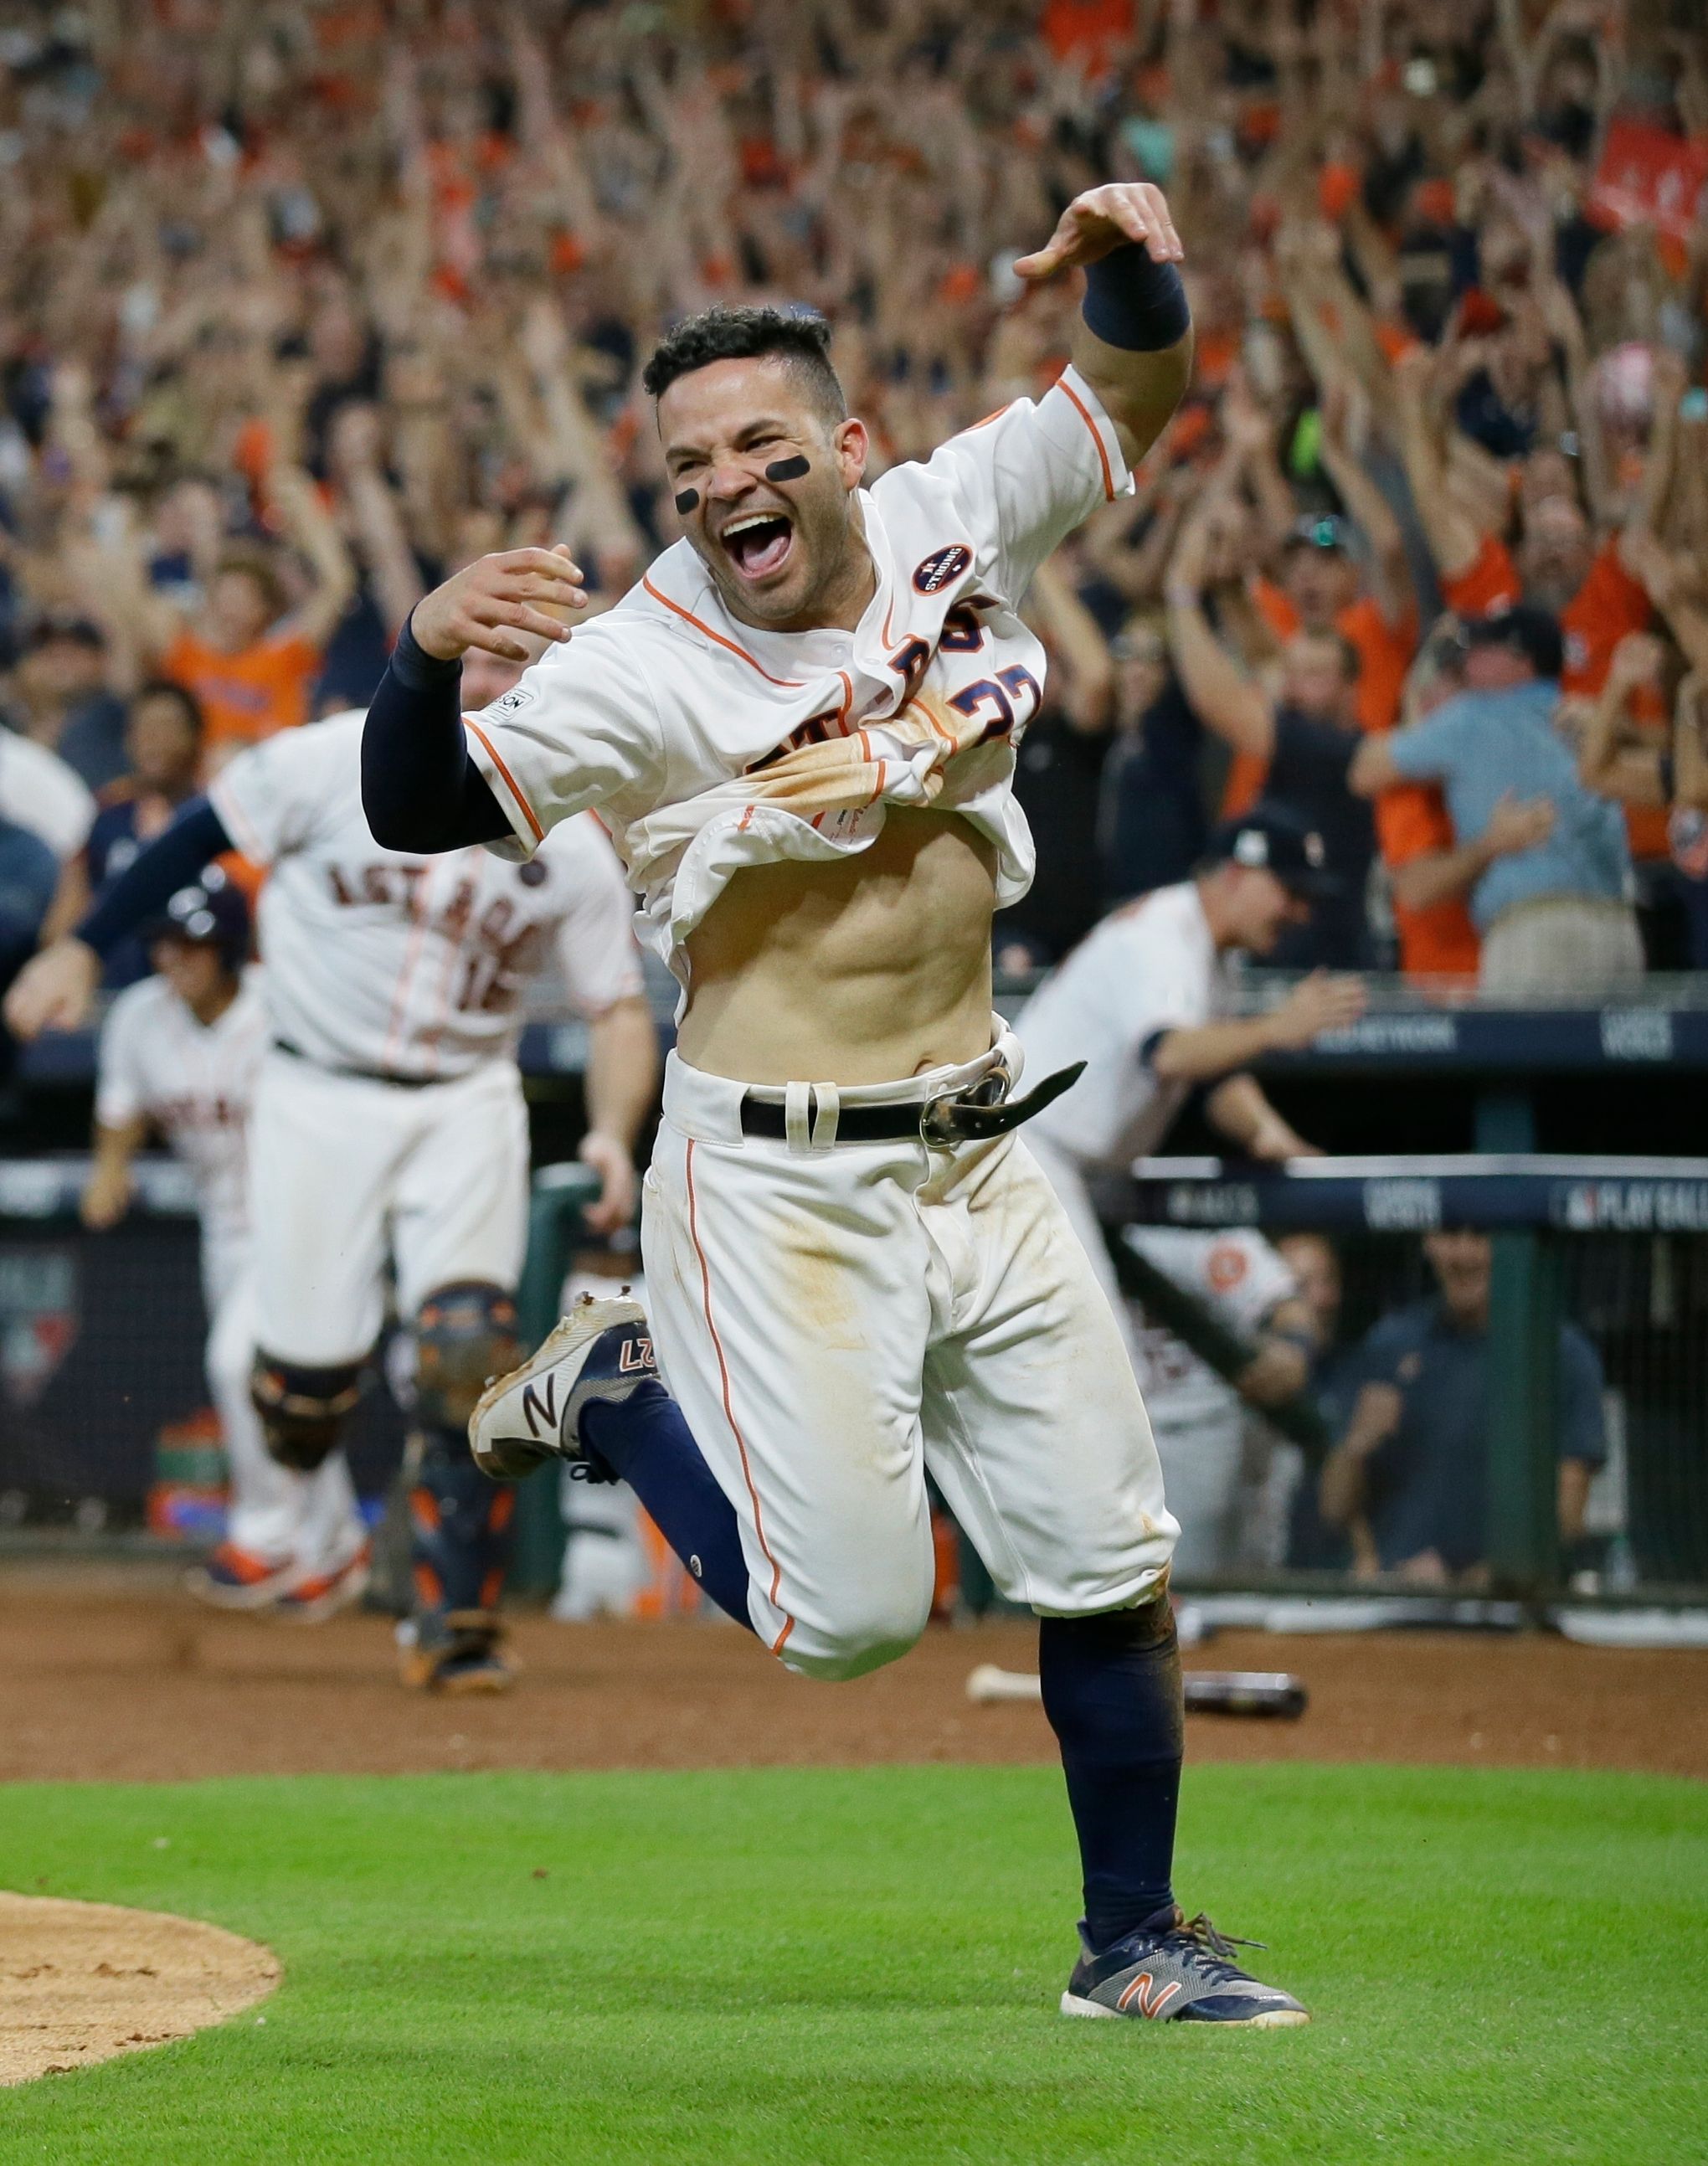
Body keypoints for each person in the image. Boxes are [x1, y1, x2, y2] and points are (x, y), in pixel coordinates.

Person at [358, 182, 1315, 2026]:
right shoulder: (641, 664)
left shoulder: (957, 510)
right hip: (776, 1182)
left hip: (980, 1141)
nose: (723, 484)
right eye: (687, 463)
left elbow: (1139, 382)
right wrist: (417, 646)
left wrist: (1135, 255)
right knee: (844, 1626)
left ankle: (1133, 1941)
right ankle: (613, 1386)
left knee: (1110, 1551)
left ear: (847, 449)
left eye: (759, 444)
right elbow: (417, 807)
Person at [8, 645, 657, 1692]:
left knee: (465, 1352)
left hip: (464, 1098)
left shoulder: (567, 843)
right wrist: (86, 945)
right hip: (316, 1094)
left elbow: (618, 1008)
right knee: (301, 1392)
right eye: (475, 670)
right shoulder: (323, 762)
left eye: (516, 677)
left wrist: (610, 1132)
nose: (495, 693)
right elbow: (192, 839)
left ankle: (458, 1618)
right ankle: (313, 1480)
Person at [1013, 804, 1361, 1571]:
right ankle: (1103, 1586)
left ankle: (1107, 1582)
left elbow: (1211, 1073)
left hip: (1073, 1167)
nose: (1299, 911)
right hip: (1032, 1154)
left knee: (1095, 1382)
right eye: (1288, 890)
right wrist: (1276, 1029)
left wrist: (1267, 1131)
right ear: (1236, 875)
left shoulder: (1211, 955)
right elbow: (1170, 1053)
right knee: (1104, 1379)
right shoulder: (1165, 936)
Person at [80, 875, 361, 1609]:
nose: (176, 958)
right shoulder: (139, 1017)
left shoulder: (283, 1004)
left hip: (308, 1218)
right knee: (290, 1392)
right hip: (224, 1228)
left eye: (194, 944)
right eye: (167, 943)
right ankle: (333, 1545)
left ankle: (267, 1537)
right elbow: (119, 1107)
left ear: (230, 948)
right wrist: (111, 1165)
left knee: (239, 1363)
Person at [1349, 606, 1640, 996]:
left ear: (1519, 660)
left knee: (1529, 1057)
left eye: (1483, 650)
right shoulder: (1583, 718)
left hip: (1539, 936)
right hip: (1620, 931)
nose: (1471, 660)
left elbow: (1363, 769)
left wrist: (1413, 693)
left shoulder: (1476, 716)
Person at [1318, 1229, 1607, 1584]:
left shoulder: (1559, 1352)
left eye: (1481, 1236)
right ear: (1428, 1243)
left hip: (1510, 1606)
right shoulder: (1391, 1342)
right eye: (1450, 1235)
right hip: (1395, 1601)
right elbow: (1334, 1509)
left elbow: (1568, 1515)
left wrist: (1472, 1584)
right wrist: (1356, 1446)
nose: (1463, 1255)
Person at [1165, 527, 1376, 968]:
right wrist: (1229, 589)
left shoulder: (1337, 748)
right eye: (1292, 674)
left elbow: (1217, 703)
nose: (1293, 690)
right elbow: (1265, 660)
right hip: (1283, 951)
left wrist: (1182, 597)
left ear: (1349, 689)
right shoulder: (1307, 726)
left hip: (1323, 959)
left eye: (1314, 675)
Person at [45, 682, 208, 985]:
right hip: (108, 991)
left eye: (167, 728)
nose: (153, 741)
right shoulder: (108, 817)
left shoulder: (212, 820)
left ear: (196, 738)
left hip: (184, 996)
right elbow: (65, 915)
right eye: (143, 729)